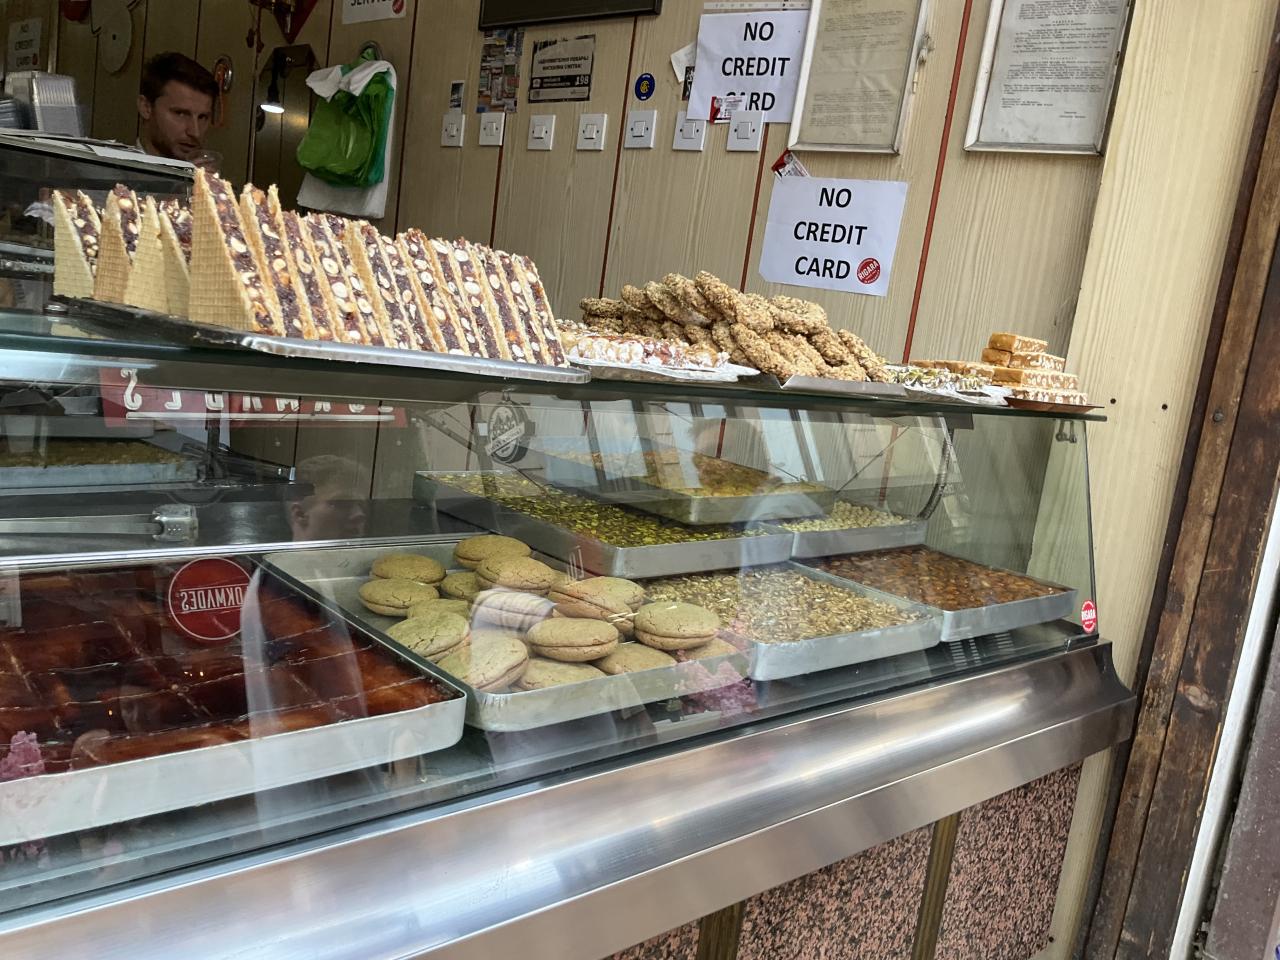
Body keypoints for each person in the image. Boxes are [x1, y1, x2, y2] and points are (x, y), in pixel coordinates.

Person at [136, 52, 218, 165]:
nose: (195, 132)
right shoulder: (115, 173)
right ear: (146, 107)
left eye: (202, 117)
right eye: (181, 114)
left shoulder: (205, 174)